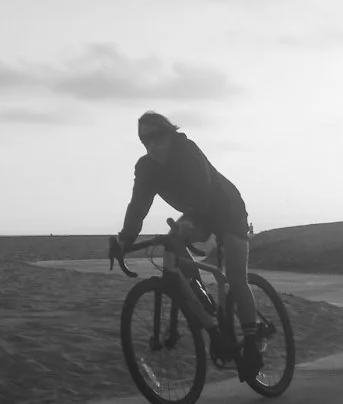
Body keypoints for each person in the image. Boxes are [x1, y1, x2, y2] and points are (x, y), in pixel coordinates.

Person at [112, 112, 264, 384]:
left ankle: (253, 339)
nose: (151, 145)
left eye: (157, 137)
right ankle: (199, 296)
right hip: (198, 215)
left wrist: (190, 221)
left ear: (170, 134)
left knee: (235, 278)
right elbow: (138, 206)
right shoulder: (146, 168)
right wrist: (124, 239)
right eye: (144, 140)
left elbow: (202, 191)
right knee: (171, 244)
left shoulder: (187, 150)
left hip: (227, 210)